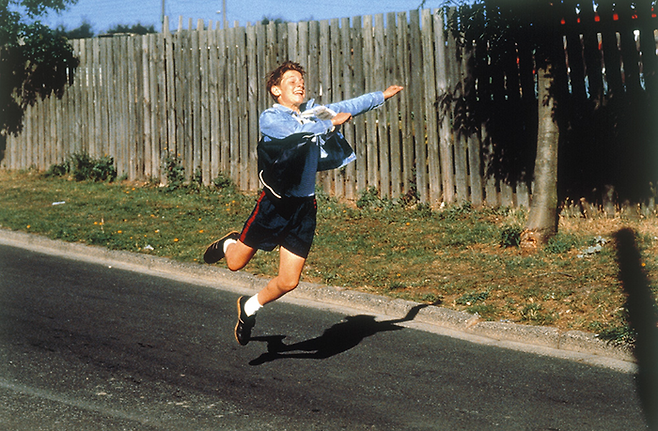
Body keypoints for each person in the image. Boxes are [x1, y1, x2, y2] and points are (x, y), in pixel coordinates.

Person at [204, 60, 403, 346]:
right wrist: (328, 122)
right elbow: (295, 134)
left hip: (303, 209)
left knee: (288, 282)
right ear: (276, 90)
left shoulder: (313, 112)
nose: (299, 84)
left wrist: (380, 96)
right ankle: (228, 244)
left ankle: (249, 308)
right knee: (235, 264)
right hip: (274, 205)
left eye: (301, 80)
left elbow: (349, 105)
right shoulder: (271, 118)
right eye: (291, 81)